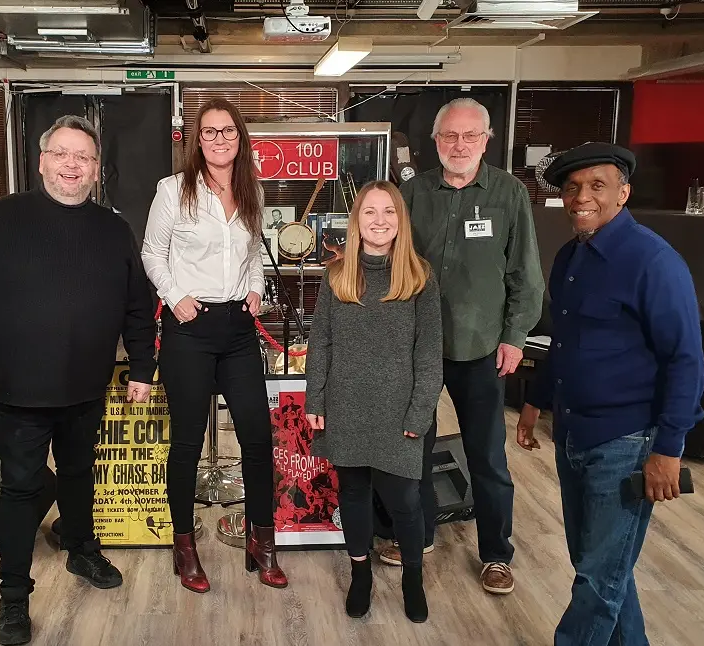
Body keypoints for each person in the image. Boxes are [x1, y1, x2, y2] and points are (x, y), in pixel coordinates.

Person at [0, 115, 156, 646]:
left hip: (87, 385)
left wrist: (141, 367)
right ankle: (14, 596)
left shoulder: (113, 229)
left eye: (82, 158)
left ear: (96, 169)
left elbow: (137, 306)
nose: (72, 166)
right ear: (41, 162)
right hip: (17, 390)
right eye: (61, 154)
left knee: (80, 473)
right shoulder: (1, 219)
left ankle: (81, 549)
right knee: (20, 489)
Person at [516, 142, 704, 645]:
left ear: (623, 192)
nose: (582, 197)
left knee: (598, 579)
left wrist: (669, 448)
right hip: (574, 433)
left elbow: (686, 360)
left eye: (597, 185)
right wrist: (535, 401)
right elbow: (565, 339)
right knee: (599, 563)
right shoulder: (570, 257)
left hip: (628, 442)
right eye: (572, 187)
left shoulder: (654, 262)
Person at [394, 97, 543, 595]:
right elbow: (388, 266)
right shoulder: (411, 193)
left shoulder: (509, 194)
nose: (459, 145)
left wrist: (514, 337)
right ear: (435, 141)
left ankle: (497, 554)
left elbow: (525, 274)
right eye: (449, 136)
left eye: (469, 135)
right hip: (417, 345)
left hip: (482, 347)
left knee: (486, 455)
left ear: (486, 139)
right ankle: (420, 535)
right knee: (413, 446)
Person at [142, 97, 284, 593]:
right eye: (210, 131)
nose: (219, 139)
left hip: (239, 328)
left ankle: (261, 543)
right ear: (196, 139)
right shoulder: (173, 191)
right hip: (190, 326)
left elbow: (251, 254)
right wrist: (175, 297)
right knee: (184, 442)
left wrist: (256, 289)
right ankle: (184, 548)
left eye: (228, 131)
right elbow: (152, 252)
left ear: (239, 138)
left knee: (257, 437)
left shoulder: (250, 189)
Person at [304, 181, 442, 622]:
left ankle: (412, 580)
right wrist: (316, 398)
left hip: (399, 411)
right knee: (354, 495)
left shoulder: (420, 277)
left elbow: (428, 352)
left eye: (388, 212)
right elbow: (321, 342)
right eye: (369, 212)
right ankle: (360, 574)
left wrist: (420, 411)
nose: (379, 220)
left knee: (405, 500)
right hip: (346, 405)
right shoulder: (336, 275)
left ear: (401, 221)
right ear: (357, 220)